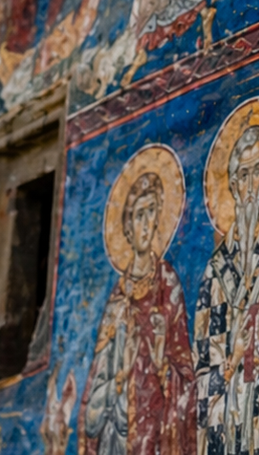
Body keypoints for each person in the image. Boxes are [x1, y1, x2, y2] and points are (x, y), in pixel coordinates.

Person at [81, 171, 200, 455]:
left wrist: (160, 359)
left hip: (157, 426)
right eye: (138, 215)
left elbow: (184, 368)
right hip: (117, 435)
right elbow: (94, 392)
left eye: (151, 213)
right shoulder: (117, 298)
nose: (145, 224)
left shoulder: (167, 282)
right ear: (127, 225)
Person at [195, 124, 259, 455]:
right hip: (224, 424)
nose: (250, 185)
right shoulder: (215, 271)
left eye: (257, 172)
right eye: (243, 175)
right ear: (233, 184)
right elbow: (200, 373)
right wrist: (231, 360)